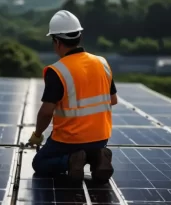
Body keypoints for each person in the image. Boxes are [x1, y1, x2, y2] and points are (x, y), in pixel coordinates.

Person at [26, 10, 118, 183]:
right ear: (79, 37)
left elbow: (46, 112)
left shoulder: (57, 71)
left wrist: (37, 134)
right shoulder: (102, 63)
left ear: (57, 41)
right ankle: (97, 157)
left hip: (69, 140)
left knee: (40, 163)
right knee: (86, 150)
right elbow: (113, 100)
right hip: (100, 138)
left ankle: (70, 161)